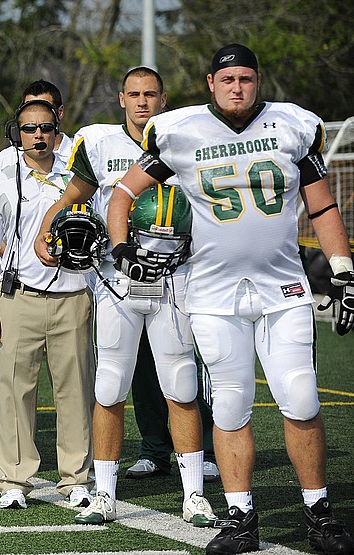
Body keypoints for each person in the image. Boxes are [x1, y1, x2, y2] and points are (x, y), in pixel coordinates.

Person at [107, 44, 354, 555]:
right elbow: (122, 195)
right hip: (214, 295)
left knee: (302, 397)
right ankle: (241, 518)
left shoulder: (293, 125)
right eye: (227, 79)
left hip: (282, 290)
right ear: (210, 82)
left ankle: (319, 513)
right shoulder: (179, 131)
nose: (237, 87)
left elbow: (322, 203)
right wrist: (121, 246)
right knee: (232, 407)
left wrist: (344, 270)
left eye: (245, 78)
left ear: (257, 81)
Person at [33, 66, 218, 527]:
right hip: (117, 278)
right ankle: (105, 494)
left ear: (164, 98)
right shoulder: (97, 142)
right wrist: (44, 230)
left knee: (181, 384)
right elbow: (74, 194)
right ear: (120, 98)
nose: (142, 102)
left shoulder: (184, 137)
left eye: (150, 94)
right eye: (134, 94)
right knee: (110, 385)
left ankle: (193, 493)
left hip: (175, 277)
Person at [0, 99, 94, 509]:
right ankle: (13, 478)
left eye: (44, 127)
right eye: (28, 129)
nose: (38, 136)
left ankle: (75, 477)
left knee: (74, 391)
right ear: (16, 134)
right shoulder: (2, 180)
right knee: (13, 390)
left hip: (74, 295)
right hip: (19, 296)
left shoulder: (80, 176)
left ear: (57, 127)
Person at [0, 80, 74, 176]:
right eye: (29, 108)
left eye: (43, 108)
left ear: (60, 112)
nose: (36, 113)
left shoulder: (79, 156)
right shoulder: (6, 158)